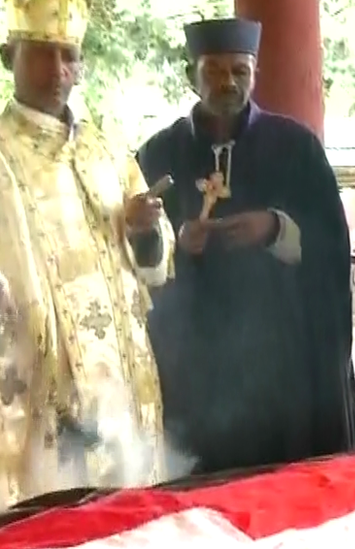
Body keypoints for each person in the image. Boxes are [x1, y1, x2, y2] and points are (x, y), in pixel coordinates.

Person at [137, 17, 355, 475]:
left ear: (255, 73)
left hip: (282, 368)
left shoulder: (296, 147)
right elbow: (133, 259)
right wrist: (170, 242)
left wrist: (276, 229)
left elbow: (332, 245)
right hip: (194, 368)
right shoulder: (158, 154)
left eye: (240, 71)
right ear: (190, 75)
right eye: (214, 71)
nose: (228, 82)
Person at [0, 0, 173, 508]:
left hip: (120, 390)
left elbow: (153, 267)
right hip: (39, 392)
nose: (58, 71)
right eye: (43, 54)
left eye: (69, 55)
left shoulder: (107, 151)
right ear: (11, 56)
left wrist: (145, 231)